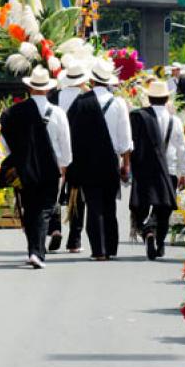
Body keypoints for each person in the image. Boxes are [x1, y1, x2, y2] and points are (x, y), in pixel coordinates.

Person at [0, 65, 72, 269]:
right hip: (52, 167)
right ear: (48, 89)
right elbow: (65, 142)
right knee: (45, 209)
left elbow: (5, 140)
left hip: (26, 167)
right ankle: (36, 253)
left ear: (30, 88)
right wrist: (65, 165)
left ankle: (33, 249)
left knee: (30, 207)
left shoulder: (16, 112)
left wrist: (17, 158)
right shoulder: (57, 113)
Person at [68, 57, 132, 261]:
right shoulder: (118, 103)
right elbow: (125, 137)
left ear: (92, 80)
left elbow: (72, 134)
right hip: (110, 160)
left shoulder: (80, 102)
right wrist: (126, 163)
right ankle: (111, 247)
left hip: (87, 161)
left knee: (94, 204)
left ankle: (99, 249)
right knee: (109, 204)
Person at [129, 79, 185, 260]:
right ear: (166, 98)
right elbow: (182, 148)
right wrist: (182, 172)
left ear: (150, 98)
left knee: (142, 205)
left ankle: (147, 230)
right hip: (168, 169)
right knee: (164, 208)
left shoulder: (139, 116)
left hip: (144, 169)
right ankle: (159, 241)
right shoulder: (174, 121)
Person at [46, 62, 90, 252]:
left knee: (53, 192)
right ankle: (75, 239)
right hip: (80, 152)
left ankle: (55, 228)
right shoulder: (88, 99)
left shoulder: (54, 96)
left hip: (55, 151)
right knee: (76, 196)